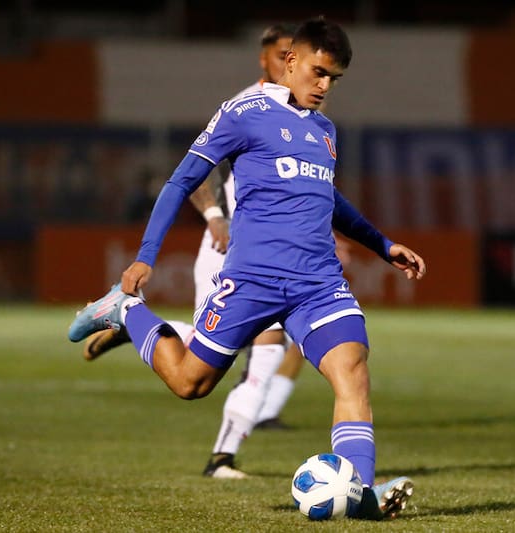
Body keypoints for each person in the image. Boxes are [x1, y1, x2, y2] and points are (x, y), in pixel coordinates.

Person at [68, 17, 425, 520]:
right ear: (291, 60)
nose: (324, 86)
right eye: (319, 72)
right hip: (252, 280)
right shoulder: (243, 112)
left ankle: (358, 493)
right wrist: (146, 255)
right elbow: (179, 182)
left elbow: (328, 197)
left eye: (335, 79)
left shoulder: (324, 130)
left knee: (352, 372)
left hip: (317, 282)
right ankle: (127, 311)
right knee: (191, 383)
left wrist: (382, 244)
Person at [81, 23, 307, 480]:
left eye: (298, 56)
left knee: (262, 345)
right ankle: (134, 319)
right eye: (284, 54)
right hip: (231, 246)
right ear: (266, 61)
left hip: (272, 250)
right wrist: (214, 218)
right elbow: (195, 171)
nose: (293, 64)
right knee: (218, 356)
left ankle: (222, 456)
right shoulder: (246, 106)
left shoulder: (303, 112)